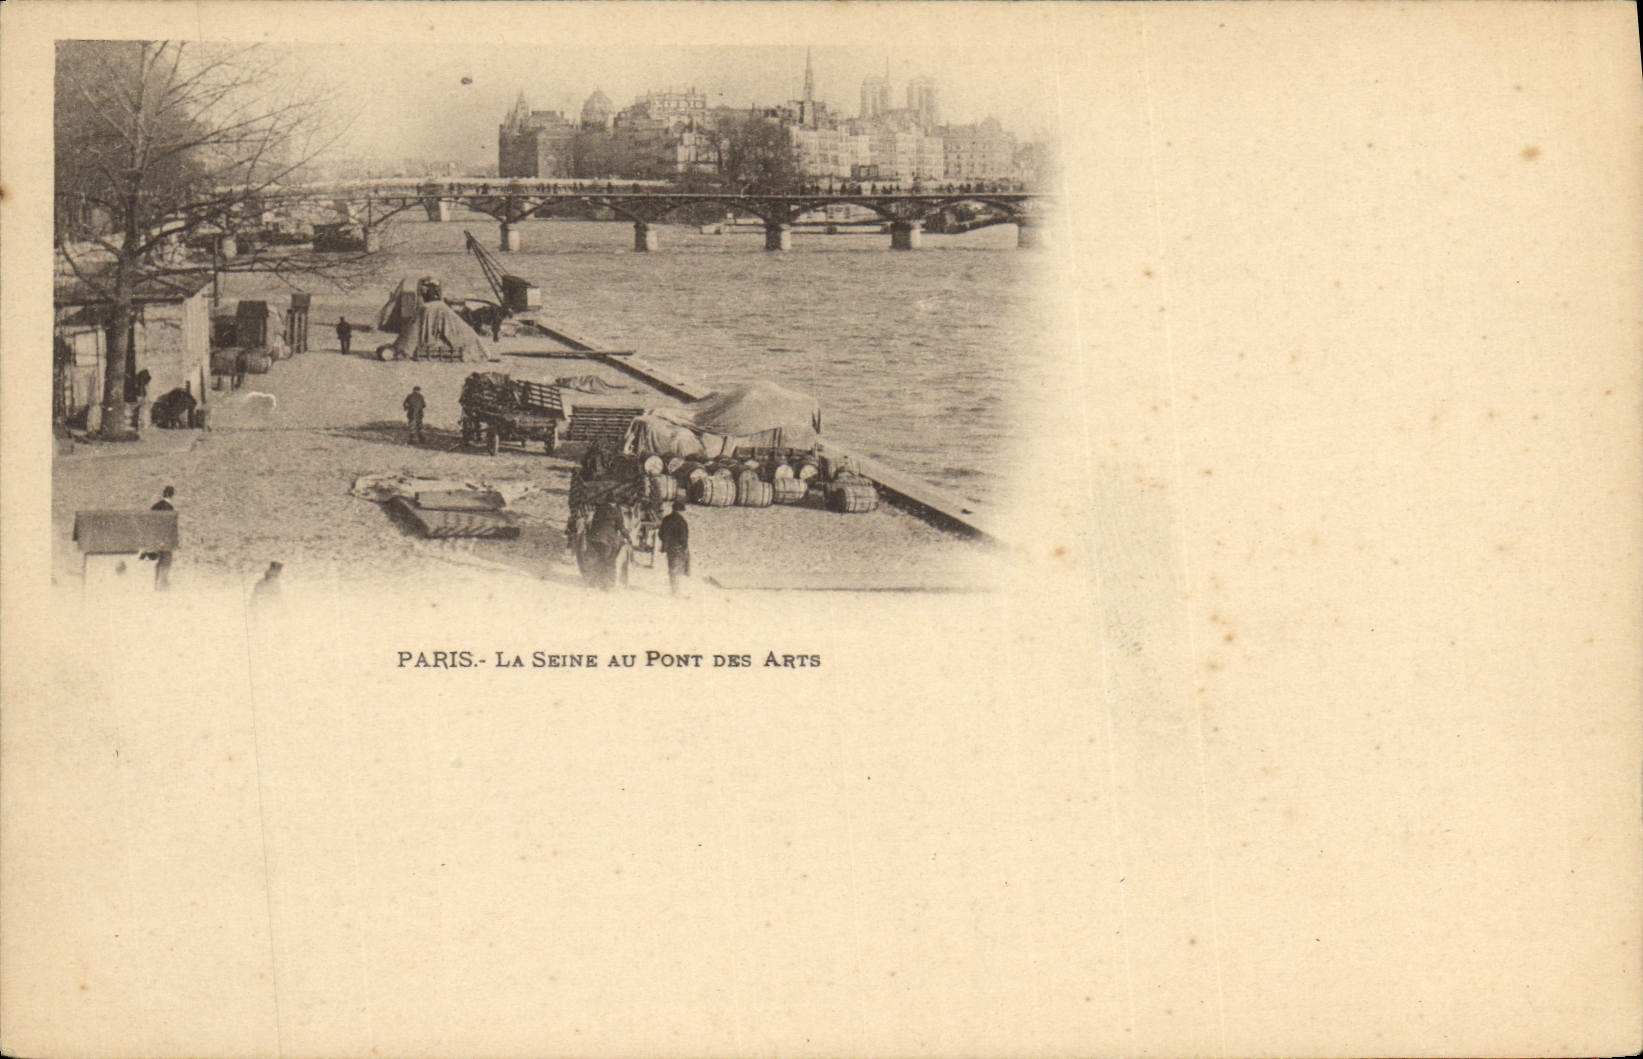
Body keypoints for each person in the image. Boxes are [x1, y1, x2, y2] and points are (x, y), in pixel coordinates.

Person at [659, 500, 690, 597]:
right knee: (677, 568)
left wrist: (665, 542)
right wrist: (685, 547)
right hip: (678, 547)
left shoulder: (666, 519)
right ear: (681, 511)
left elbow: (660, 533)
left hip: (669, 547)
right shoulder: (681, 521)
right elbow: (684, 536)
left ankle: (673, 589)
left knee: (671, 567)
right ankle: (675, 592)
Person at [148, 486, 176, 589]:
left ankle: (157, 581)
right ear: (172, 495)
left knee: (159, 561)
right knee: (166, 559)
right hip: (164, 539)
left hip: (155, 538)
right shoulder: (169, 508)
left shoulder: (156, 506)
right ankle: (163, 582)